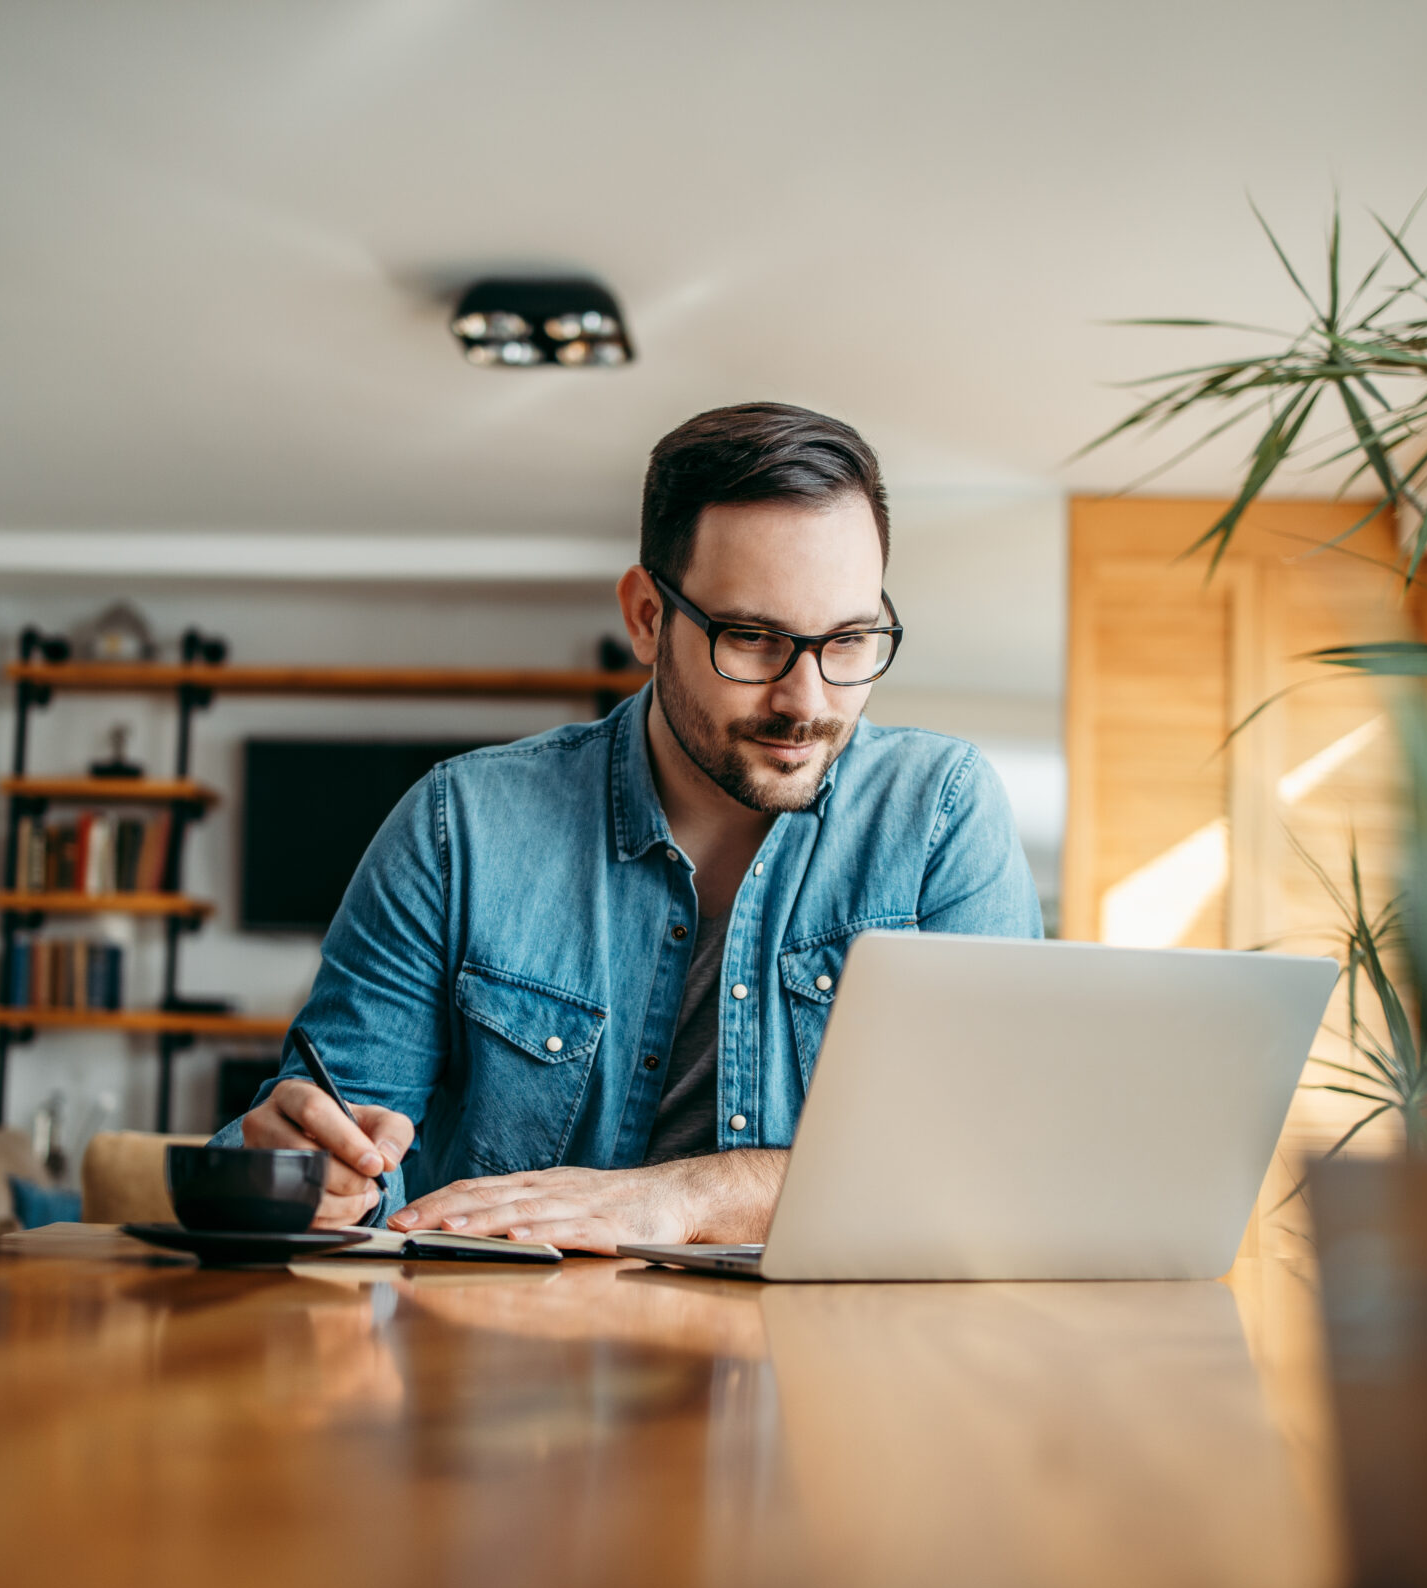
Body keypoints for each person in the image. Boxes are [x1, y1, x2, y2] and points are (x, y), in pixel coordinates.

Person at [218, 401, 1040, 1249]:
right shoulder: (455, 827)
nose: (808, 700)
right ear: (648, 617)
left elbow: (1001, 1159)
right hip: (503, 1366)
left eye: (849, 639)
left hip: (830, 1370)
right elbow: (324, 1144)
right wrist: (305, 1170)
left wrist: (684, 1198)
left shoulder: (941, 814)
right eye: (753, 638)